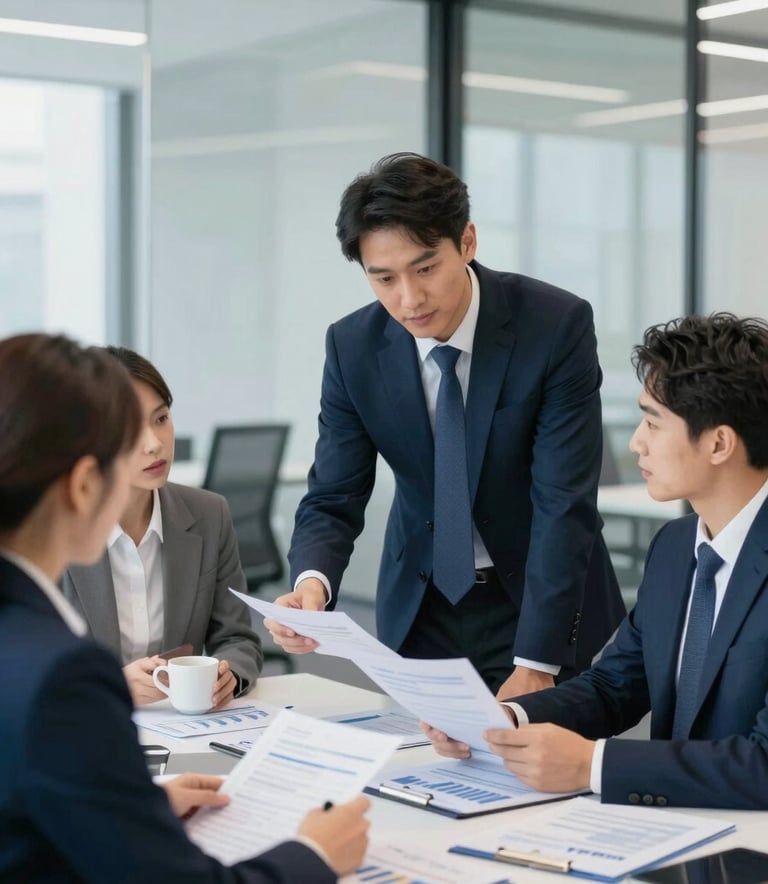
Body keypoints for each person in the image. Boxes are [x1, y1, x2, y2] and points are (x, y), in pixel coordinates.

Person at [0, 332, 370, 882]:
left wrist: (129, 810)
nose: (152, 445)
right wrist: (313, 855)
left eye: (161, 419)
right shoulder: (64, 677)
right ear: (83, 483)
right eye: (121, 438)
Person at [266, 152, 624, 698]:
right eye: (383, 278)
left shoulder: (554, 326)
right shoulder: (352, 347)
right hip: (421, 606)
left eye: (426, 268)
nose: (408, 299)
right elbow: (334, 493)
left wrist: (537, 660)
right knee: (425, 775)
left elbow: (564, 501)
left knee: (540, 774)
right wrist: (311, 584)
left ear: (468, 242)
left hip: (535, 601)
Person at [424, 312, 768, 809]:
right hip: (678, 827)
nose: (636, 443)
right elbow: (615, 686)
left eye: (652, 421)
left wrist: (591, 765)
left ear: (718, 443)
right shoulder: (675, 547)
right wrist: (506, 721)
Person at [62, 347, 262, 707]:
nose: (155, 444)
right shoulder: (50, 531)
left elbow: (238, 638)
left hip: (181, 726)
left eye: (161, 418)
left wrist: (228, 675)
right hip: (82, 725)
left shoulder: (209, 514)